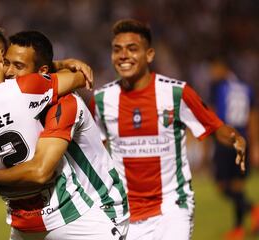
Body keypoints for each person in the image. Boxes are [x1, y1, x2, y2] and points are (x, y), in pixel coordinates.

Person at [0, 23, 125, 240]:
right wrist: (62, 64)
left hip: (31, 218)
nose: (9, 71)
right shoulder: (22, 90)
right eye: (7, 63)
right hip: (63, 215)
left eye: (17, 65)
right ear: (0, 58)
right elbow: (80, 77)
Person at [90, 19, 246, 240]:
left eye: (132, 49)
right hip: (125, 211)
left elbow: (215, 127)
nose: (123, 55)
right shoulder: (102, 100)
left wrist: (236, 138)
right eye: (117, 50)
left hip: (173, 206)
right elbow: (93, 149)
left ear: (150, 55)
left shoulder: (176, 93)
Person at [208, 57, 259, 239]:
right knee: (237, 187)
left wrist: (211, 140)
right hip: (242, 140)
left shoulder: (217, 86)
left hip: (225, 139)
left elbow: (212, 115)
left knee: (222, 186)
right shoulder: (246, 88)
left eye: (214, 68)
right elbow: (252, 118)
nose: (212, 73)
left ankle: (253, 209)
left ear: (223, 68)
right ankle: (238, 229)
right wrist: (254, 146)